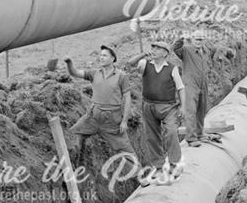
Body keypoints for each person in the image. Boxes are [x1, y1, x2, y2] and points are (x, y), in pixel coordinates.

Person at [65, 45, 135, 163]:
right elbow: (75, 73)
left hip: (112, 120)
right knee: (71, 134)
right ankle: (71, 166)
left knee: (125, 150)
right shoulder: (94, 73)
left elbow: (127, 99)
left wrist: (124, 121)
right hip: (93, 116)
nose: (101, 58)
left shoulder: (122, 76)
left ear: (113, 58)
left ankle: (141, 177)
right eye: (100, 55)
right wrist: (69, 62)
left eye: (104, 55)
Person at [130, 38, 186, 174]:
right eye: (153, 48)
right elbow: (130, 64)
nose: (154, 50)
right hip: (148, 106)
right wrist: (143, 54)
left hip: (168, 107)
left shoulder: (172, 69)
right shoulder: (145, 64)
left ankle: (174, 164)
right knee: (152, 136)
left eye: (157, 49)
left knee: (171, 132)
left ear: (165, 53)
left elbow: (181, 88)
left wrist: (183, 107)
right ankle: (159, 166)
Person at [173, 29, 209, 140]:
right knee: (191, 111)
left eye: (201, 39)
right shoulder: (186, 50)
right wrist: (181, 39)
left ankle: (200, 133)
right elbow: (175, 48)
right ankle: (191, 138)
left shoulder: (206, 51)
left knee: (201, 111)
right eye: (196, 39)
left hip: (203, 84)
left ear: (204, 40)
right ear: (192, 39)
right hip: (190, 84)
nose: (198, 42)